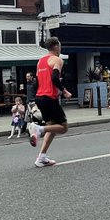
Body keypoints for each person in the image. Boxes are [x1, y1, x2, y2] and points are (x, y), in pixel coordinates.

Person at [28, 37, 73, 167]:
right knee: (63, 128)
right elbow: (54, 78)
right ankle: (38, 129)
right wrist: (64, 91)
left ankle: (41, 157)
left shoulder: (40, 61)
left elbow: (37, 82)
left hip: (40, 97)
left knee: (52, 128)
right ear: (56, 46)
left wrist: (35, 99)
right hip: (49, 98)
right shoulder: (57, 60)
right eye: (60, 45)